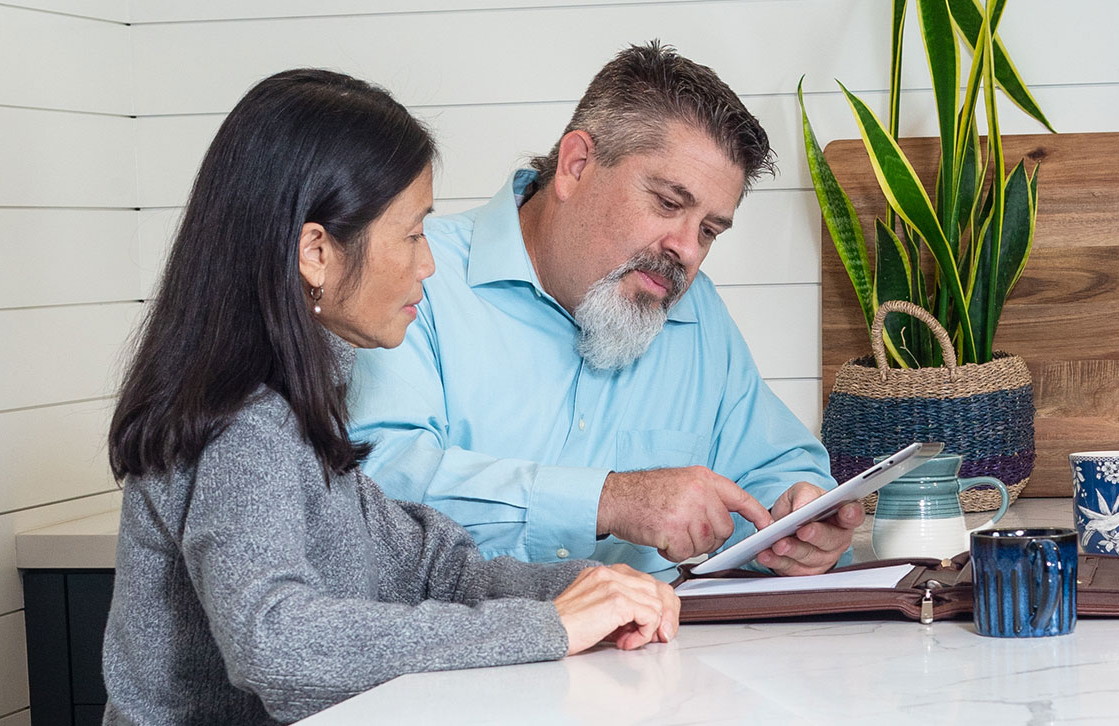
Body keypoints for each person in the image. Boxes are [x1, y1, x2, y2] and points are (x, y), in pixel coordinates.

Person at [101, 69, 680, 725]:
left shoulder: (292, 412)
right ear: (315, 252)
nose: (427, 264)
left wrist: (589, 589)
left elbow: (433, 571)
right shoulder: (245, 429)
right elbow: (277, 644)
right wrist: (549, 626)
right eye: (411, 234)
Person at [349, 42, 863, 581]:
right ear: (576, 165)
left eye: (709, 230)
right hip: (462, 654)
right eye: (668, 203)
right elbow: (377, 487)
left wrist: (803, 522)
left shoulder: (697, 312)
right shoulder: (415, 277)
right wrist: (607, 500)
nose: (687, 249)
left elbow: (778, 468)